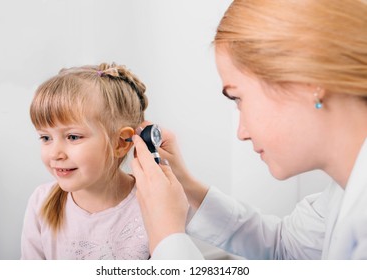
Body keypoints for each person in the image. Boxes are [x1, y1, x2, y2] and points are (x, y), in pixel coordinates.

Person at [131, 0, 367, 259]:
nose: (241, 132)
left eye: (238, 98)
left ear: (308, 80)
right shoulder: (343, 192)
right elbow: (284, 248)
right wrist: (186, 185)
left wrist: (167, 237)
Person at [21, 62, 150, 259]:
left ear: (120, 143)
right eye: (46, 138)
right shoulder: (41, 202)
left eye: (73, 137)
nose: (56, 153)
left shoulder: (153, 203)